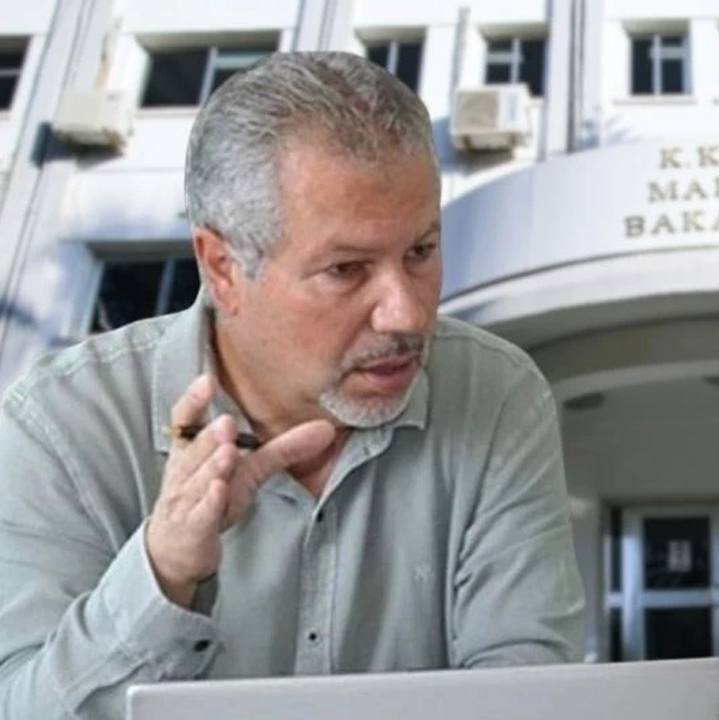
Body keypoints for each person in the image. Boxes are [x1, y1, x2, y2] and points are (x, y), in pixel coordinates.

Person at [0, 52, 585, 719]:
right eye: (346, 269)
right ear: (223, 268)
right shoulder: (61, 427)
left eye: (420, 253)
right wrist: (162, 574)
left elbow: (532, 691)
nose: (406, 314)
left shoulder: (497, 395)